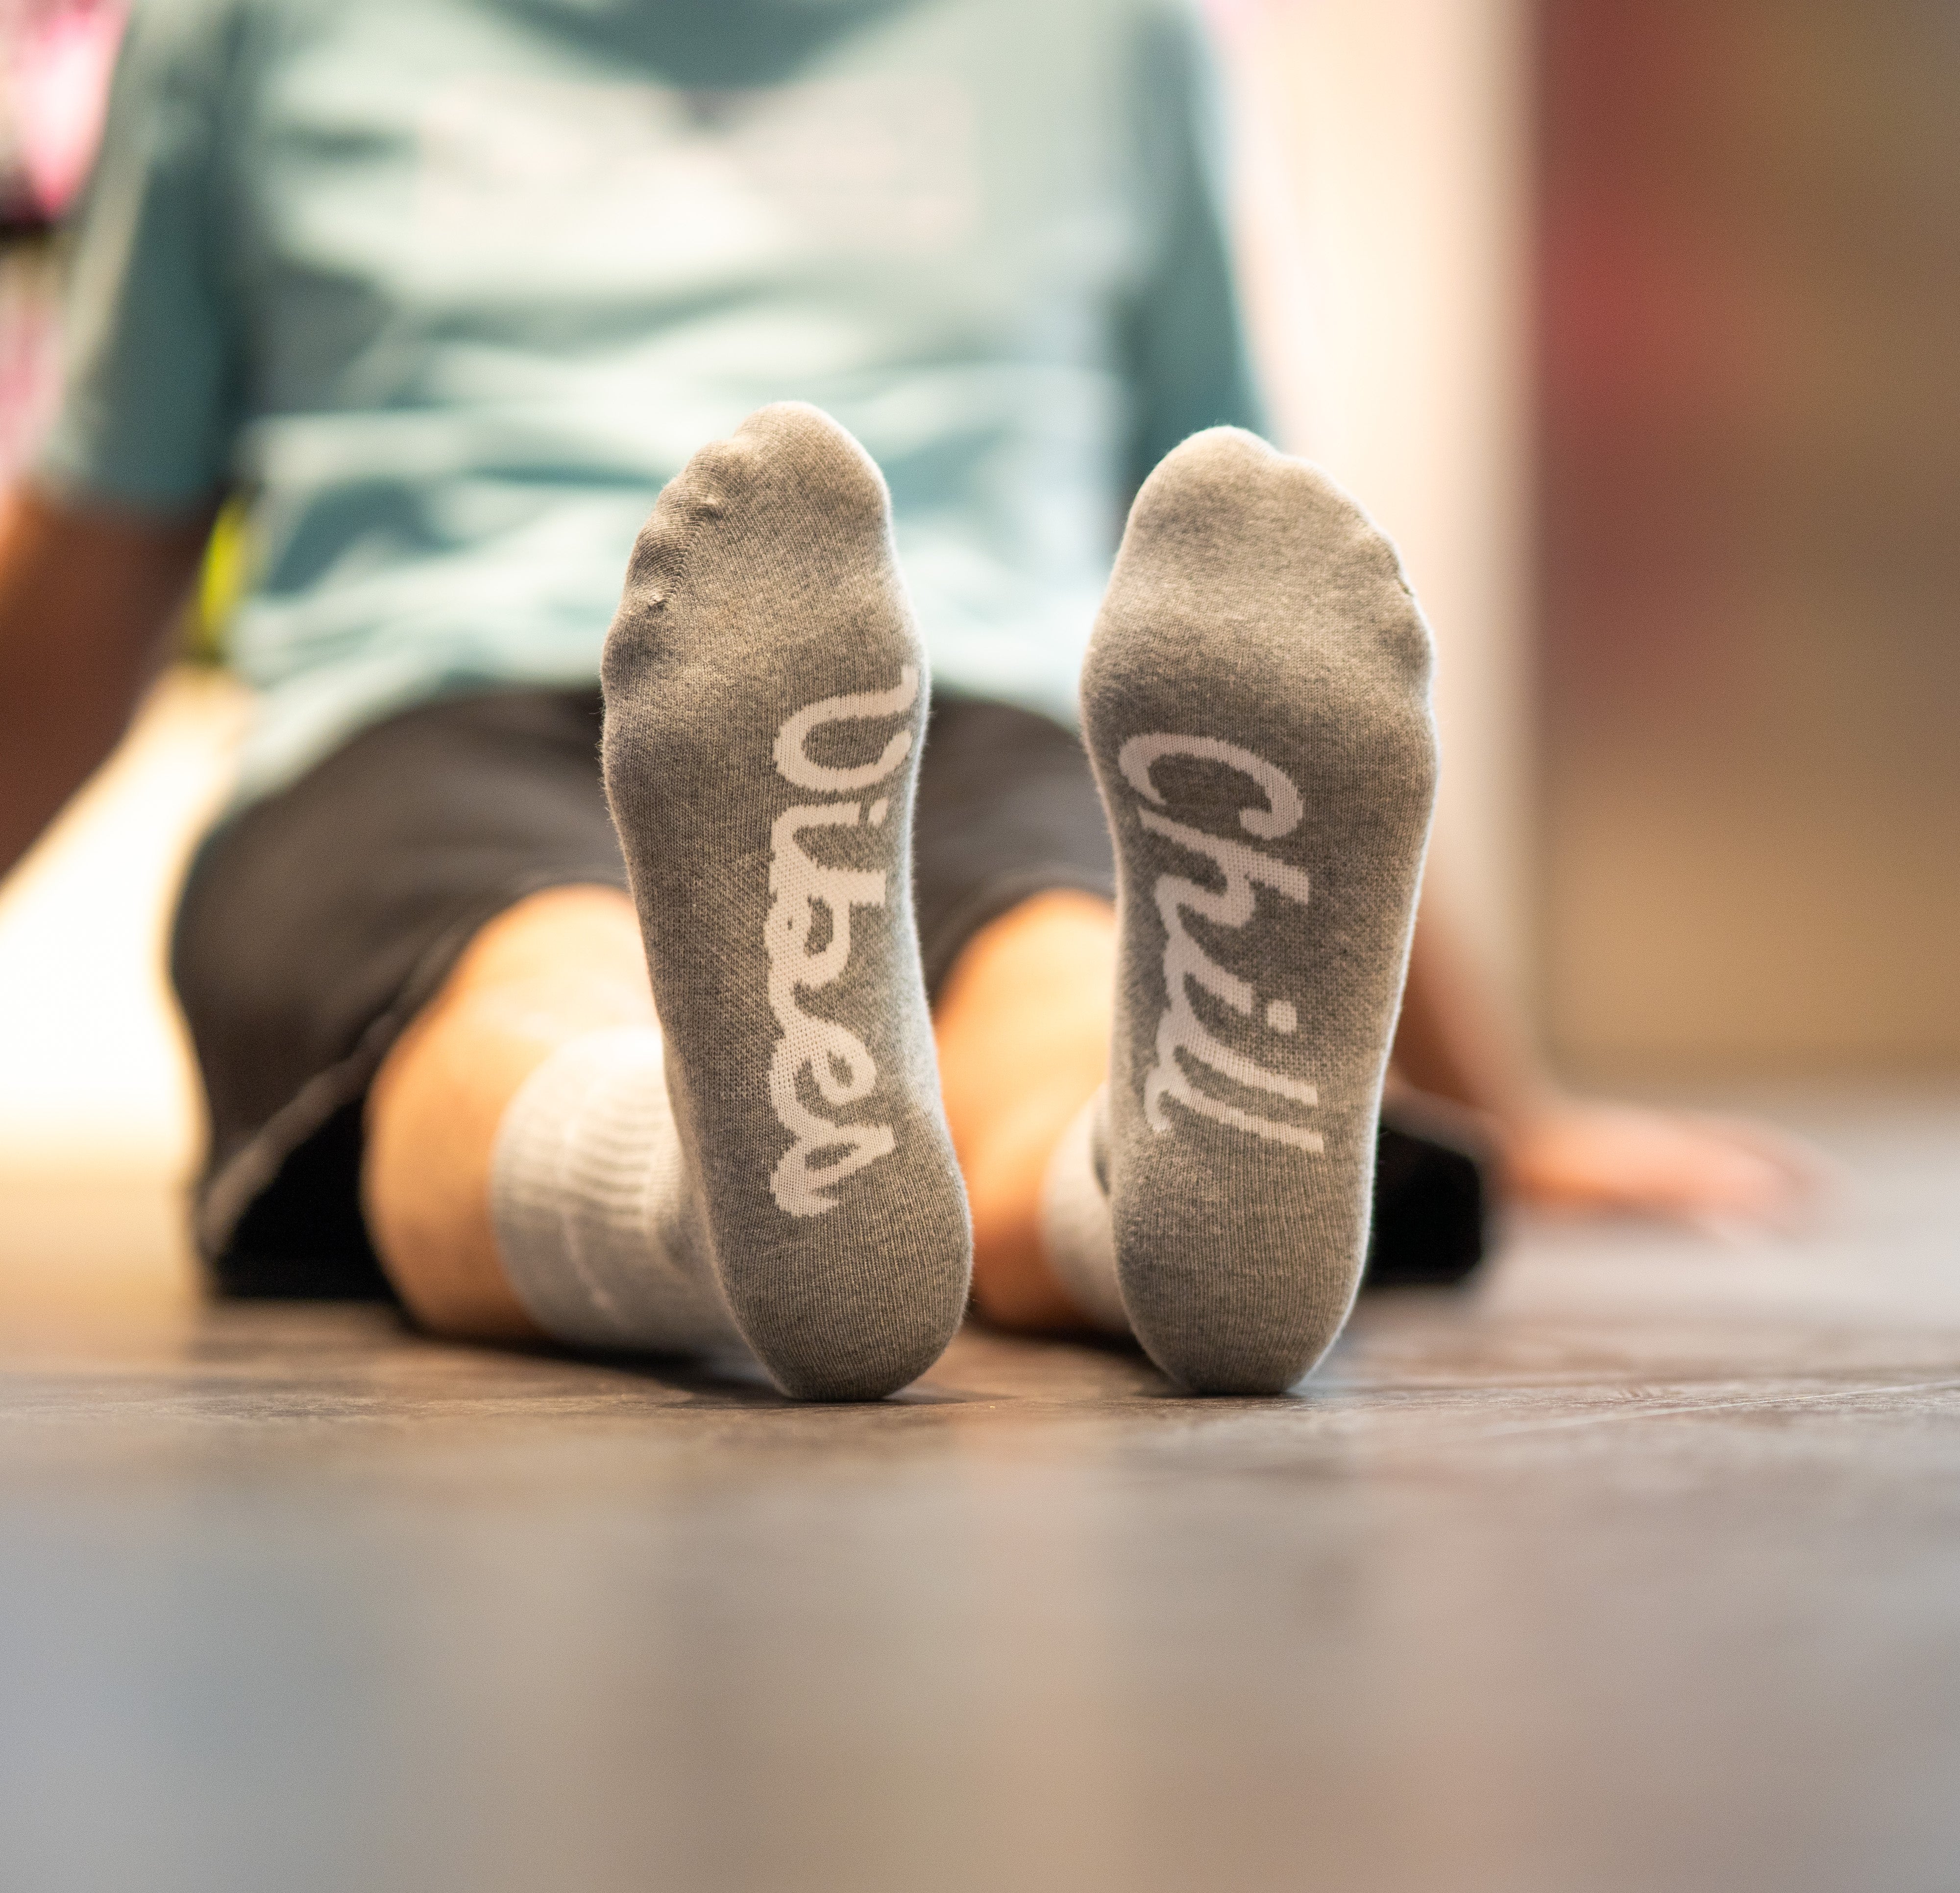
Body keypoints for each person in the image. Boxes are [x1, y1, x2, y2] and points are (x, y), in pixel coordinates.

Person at [0, 0, 1809, 1400]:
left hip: (733, 706)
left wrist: (1505, 1104)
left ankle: (791, 1203)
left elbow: (1259, 605)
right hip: (484, 710)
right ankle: (1085, 1209)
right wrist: (1508, 1106)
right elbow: (1270, 559)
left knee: (541, 997)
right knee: (1035, 986)